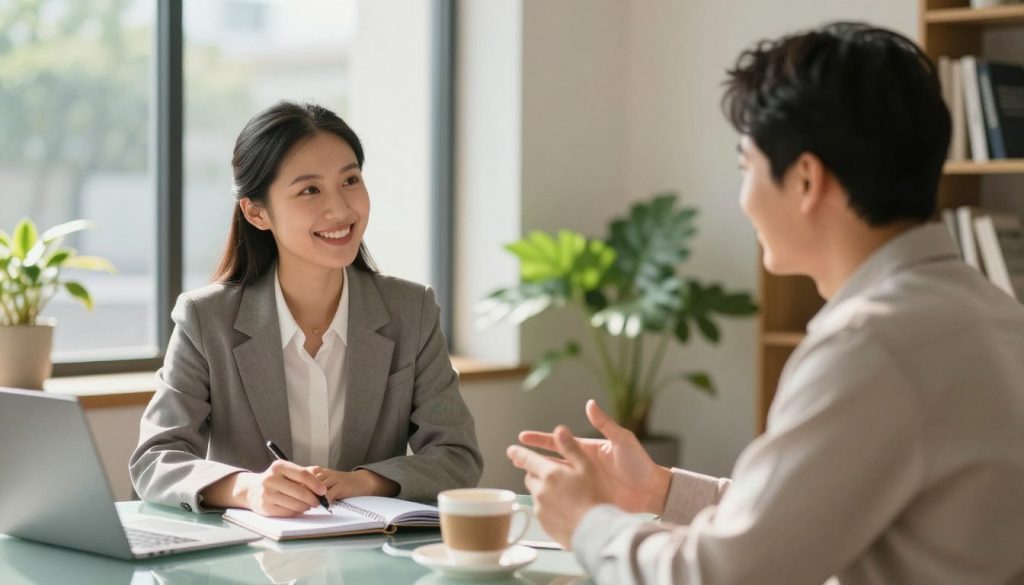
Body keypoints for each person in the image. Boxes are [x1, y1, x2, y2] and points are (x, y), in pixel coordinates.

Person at [507, 22, 1024, 584]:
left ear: (805, 179)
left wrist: (589, 525)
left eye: (745, 167)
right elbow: (800, 519)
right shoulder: (991, 315)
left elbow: (725, 575)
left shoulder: (871, 345)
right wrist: (659, 490)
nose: (743, 198)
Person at [131, 102, 482, 517]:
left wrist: (363, 482)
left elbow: (456, 456)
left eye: (350, 180)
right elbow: (154, 459)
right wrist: (247, 489)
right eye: (310, 190)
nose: (341, 209)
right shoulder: (206, 319)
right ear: (257, 212)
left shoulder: (412, 310)